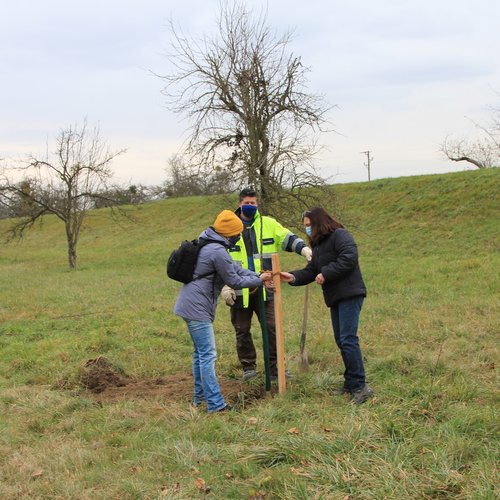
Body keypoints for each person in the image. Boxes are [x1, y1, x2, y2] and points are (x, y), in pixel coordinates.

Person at [174, 210, 273, 413]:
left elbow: (235, 270)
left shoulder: (211, 244)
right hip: (196, 308)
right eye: (237, 233)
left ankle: (199, 399)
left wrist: (257, 274)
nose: (238, 236)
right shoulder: (216, 251)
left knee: (200, 355)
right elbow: (234, 280)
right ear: (230, 233)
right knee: (208, 355)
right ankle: (216, 405)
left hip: (190, 304)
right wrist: (260, 280)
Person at [280, 207, 374, 404]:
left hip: (350, 293)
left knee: (348, 339)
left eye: (308, 225)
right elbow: (311, 271)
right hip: (335, 297)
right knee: (342, 340)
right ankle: (350, 383)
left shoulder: (340, 235)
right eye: (305, 226)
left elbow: (349, 258)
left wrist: (326, 273)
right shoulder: (319, 246)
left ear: (318, 222)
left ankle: (360, 386)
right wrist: (293, 277)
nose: (307, 229)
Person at [220, 187, 312, 381]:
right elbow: (218, 258)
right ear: (239, 204)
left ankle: (276, 368)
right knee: (242, 329)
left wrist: (304, 250)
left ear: (257, 204)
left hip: (266, 287)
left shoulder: (268, 224)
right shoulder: (229, 227)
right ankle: (249, 368)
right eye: (246, 203)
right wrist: (224, 285)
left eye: (253, 203)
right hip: (239, 288)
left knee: (272, 327)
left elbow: (287, 238)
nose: (250, 206)